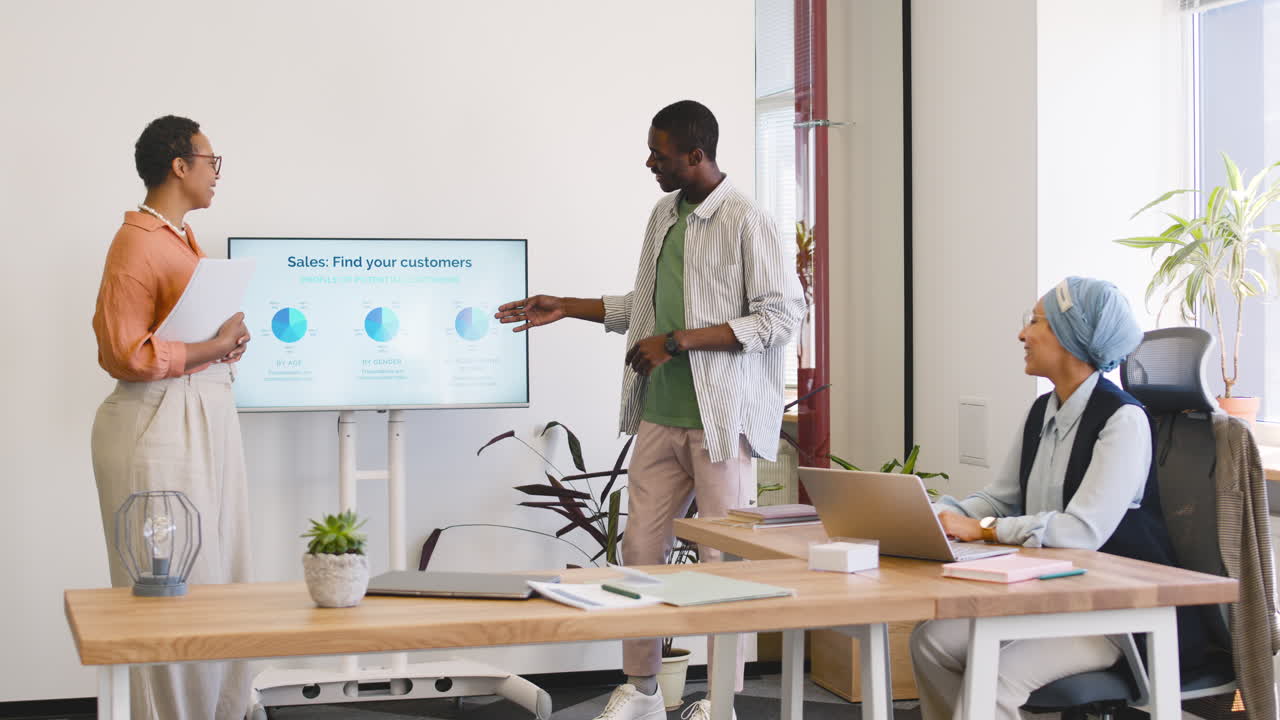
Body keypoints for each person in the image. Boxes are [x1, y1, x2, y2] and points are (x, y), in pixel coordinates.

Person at [496, 100, 805, 720]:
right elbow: (648, 305)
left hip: (723, 425)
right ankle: (640, 691)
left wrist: (680, 342)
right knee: (640, 555)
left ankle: (722, 703)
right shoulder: (663, 213)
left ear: (696, 155)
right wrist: (569, 305)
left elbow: (782, 315)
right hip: (660, 416)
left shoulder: (749, 221)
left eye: (659, 153)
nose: (650, 162)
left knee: (723, 567)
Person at [912, 276, 1210, 720]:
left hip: (1115, 609)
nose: (1021, 334)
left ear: (1071, 338)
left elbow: (1080, 532)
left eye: (1034, 322)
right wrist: (934, 515)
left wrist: (982, 530)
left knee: (996, 673)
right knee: (931, 640)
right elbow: (1001, 499)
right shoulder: (1041, 411)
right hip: (1054, 596)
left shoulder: (1123, 420)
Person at [91, 115, 253, 720]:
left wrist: (226, 342)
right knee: (169, 584)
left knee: (218, 571)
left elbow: (180, 335)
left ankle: (220, 710)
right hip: (158, 423)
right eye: (211, 161)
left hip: (199, 413)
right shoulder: (136, 241)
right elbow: (123, 352)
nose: (216, 173)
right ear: (179, 166)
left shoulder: (180, 239)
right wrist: (211, 347)